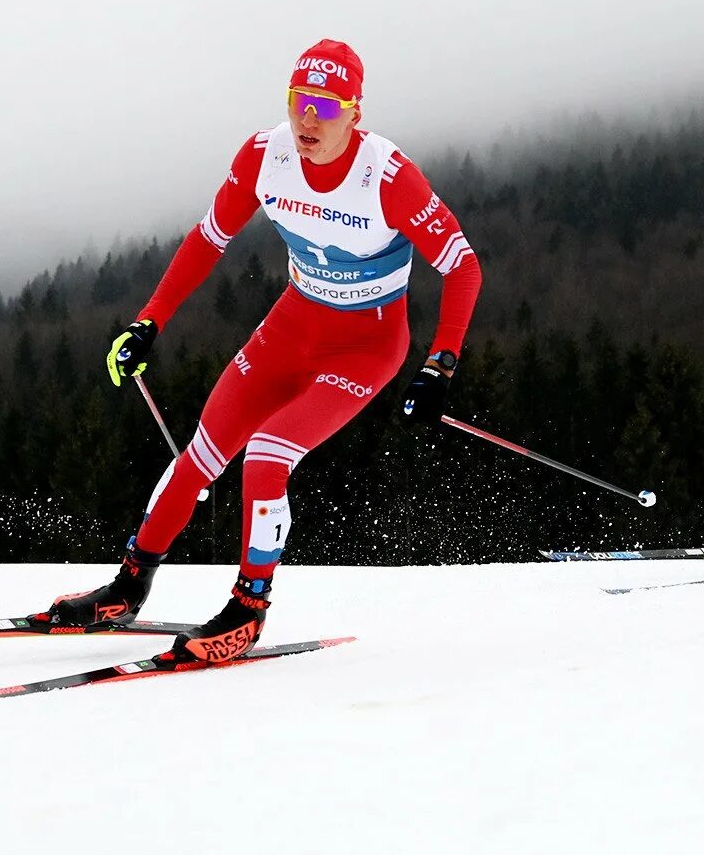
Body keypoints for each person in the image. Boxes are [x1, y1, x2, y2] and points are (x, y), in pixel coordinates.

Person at [37, 39, 482, 662]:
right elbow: (207, 238)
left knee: (268, 457)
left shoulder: (388, 178)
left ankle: (249, 608)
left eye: (327, 107)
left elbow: (462, 268)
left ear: (356, 112)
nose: (308, 120)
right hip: (292, 328)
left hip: (366, 346)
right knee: (202, 454)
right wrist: (147, 324)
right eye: (300, 101)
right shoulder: (264, 156)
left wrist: (441, 364)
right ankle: (128, 585)